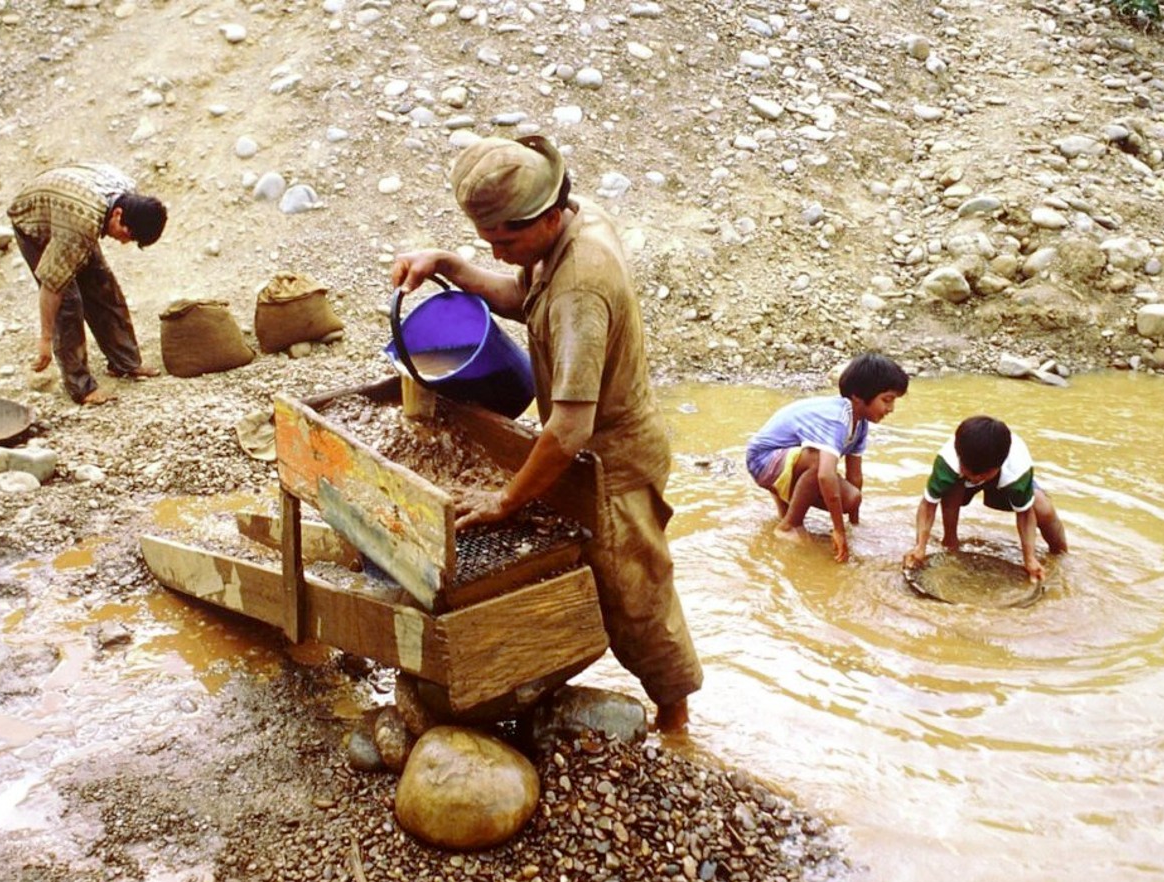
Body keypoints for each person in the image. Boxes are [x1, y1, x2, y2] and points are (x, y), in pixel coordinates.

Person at [389, 134, 703, 732]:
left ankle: (676, 720)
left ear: (548, 216)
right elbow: (520, 296)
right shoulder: (568, 224)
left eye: (505, 241)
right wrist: (450, 266)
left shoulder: (582, 287)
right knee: (585, 574)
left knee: (639, 596)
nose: (498, 252)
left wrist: (505, 499)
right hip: (585, 451)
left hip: (616, 461)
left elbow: (567, 430)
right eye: (487, 242)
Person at [7, 162, 166, 405]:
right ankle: (81, 387)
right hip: (34, 218)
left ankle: (125, 362)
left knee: (103, 285)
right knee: (68, 303)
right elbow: (52, 285)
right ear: (118, 215)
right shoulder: (82, 224)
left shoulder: (127, 193)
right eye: (128, 235)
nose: (124, 243)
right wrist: (45, 339)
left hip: (68, 203)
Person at [744, 352, 909, 562]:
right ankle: (789, 525)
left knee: (852, 498)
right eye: (886, 400)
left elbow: (855, 476)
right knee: (820, 462)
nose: (891, 409)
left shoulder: (860, 423)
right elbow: (824, 475)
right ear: (858, 397)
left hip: (787, 461)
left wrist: (853, 527)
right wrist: (838, 530)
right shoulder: (837, 419)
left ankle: (786, 511)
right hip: (763, 460)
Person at [902, 415, 1069, 582]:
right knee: (951, 488)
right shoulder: (949, 460)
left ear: (1000, 465)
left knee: (1043, 508)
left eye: (981, 474)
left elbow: (1025, 514)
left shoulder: (1017, 468)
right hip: (961, 480)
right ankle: (950, 541)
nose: (975, 478)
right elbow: (928, 504)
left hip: (1000, 480)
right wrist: (920, 546)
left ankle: (1061, 556)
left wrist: (1030, 559)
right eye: (969, 471)